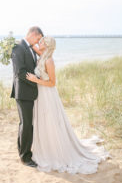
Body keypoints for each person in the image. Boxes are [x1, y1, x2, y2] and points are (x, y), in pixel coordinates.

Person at [26, 36, 111, 174]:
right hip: (41, 95)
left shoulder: (49, 60)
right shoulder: (42, 55)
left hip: (48, 94)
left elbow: (52, 83)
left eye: (41, 41)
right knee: (43, 121)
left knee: (51, 120)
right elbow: (31, 46)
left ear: (46, 45)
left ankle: (56, 150)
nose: (39, 42)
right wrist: (18, 42)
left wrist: (36, 80)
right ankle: (46, 147)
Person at [10, 26, 44, 168]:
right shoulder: (18, 47)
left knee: (25, 124)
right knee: (26, 125)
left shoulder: (29, 47)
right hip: (23, 92)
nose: (37, 42)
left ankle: (22, 151)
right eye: (37, 38)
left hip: (29, 92)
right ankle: (25, 157)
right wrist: (36, 81)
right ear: (32, 34)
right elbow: (20, 72)